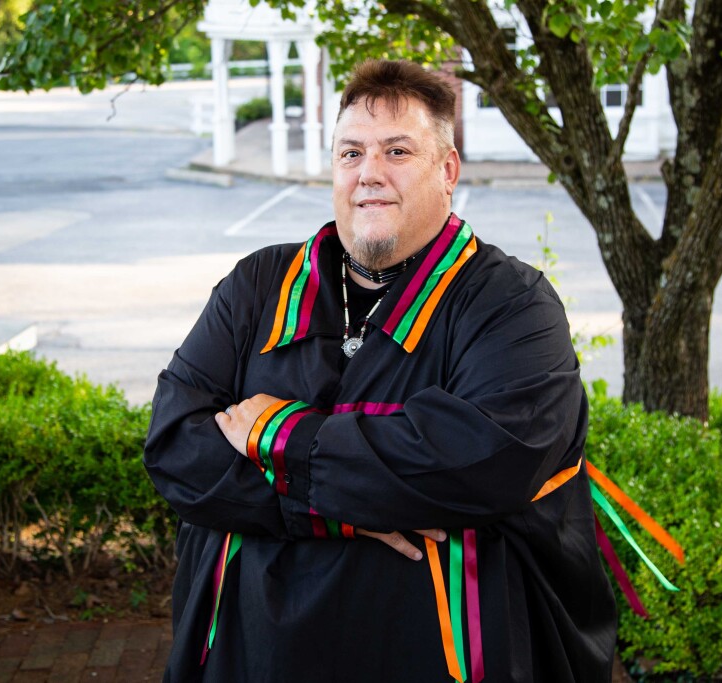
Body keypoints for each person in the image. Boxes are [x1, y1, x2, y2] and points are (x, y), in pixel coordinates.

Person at [144, 59, 617, 682]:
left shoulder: (512, 304)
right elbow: (177, 445)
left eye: (398, 151)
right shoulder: (255, 286)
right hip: (256, 654)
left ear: (447, 170)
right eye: (351, 153)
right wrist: (345, 502)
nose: (369, 173)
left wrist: (276, 436)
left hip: (440, 659)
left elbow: (485, 461)